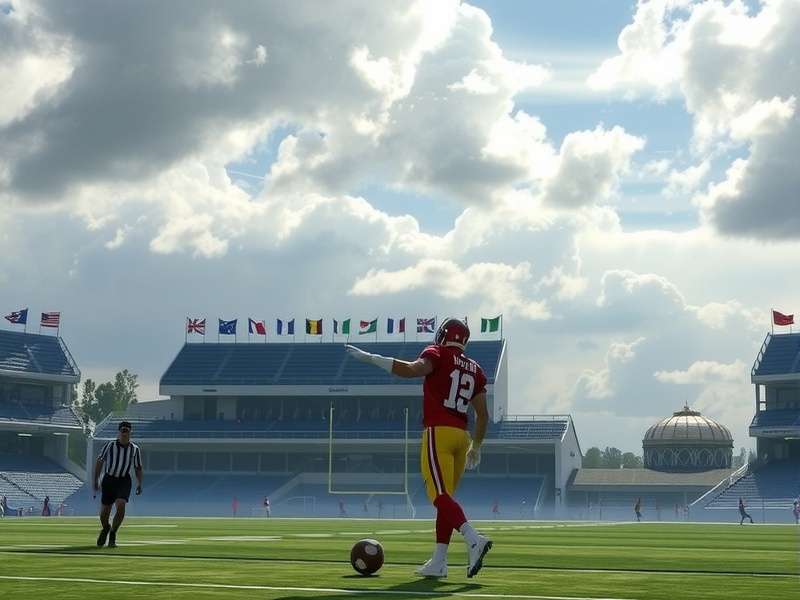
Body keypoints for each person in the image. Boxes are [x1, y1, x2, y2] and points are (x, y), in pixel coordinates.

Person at [346, 317, 492, 579]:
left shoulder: (438, 353)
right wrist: (477, 446)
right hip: (462, 437)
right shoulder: (475, 368)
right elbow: (483, 415)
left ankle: (473, 539)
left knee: (439, 497)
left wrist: (372, 359)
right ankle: (439, 561)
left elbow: (412, 370)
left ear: (444, 335)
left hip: (439, 433)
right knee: (445, 500)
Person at [94, 421, 143, 548]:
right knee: (105, 511)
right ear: (119, 432)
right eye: (122, 431)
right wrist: (96, 479)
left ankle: (113, 532)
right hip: (109, 479)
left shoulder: (134, 449)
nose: (124, 433)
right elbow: (100, 461)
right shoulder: (110, 445)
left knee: (121, 505)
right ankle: (106, 527)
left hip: (123, 480)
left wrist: (139, 483)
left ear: (130, 432)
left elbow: (138, 467)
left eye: (127, 431)